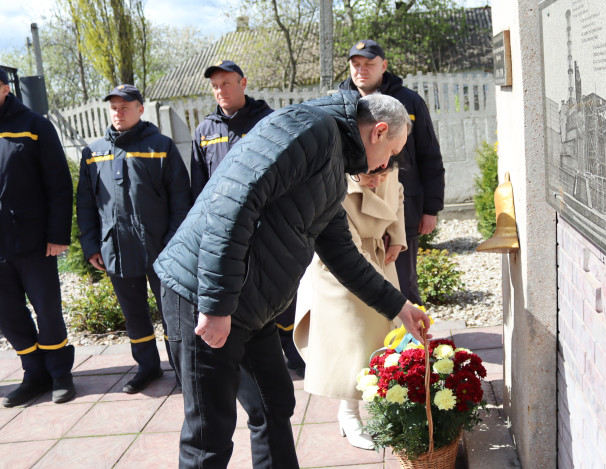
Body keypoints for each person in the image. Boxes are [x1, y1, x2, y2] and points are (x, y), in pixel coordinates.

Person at [154, 91, 430, 468]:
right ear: (379, 132)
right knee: (209, 435)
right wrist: (216, 305)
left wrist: (399, 307)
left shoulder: (333, 165)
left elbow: (342, 254)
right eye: (391, 154)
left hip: (252, 306)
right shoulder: (309, 128)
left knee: (273, 404)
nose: (386, 166)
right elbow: (233, 202)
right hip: (202, 293)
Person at [191, 60, 304, 375]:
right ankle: (251, 356)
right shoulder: (204, 131)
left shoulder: (270, 122)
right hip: (226, 231)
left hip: (267, 225)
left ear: (243, 83)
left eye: (226, 83)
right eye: (215, 86)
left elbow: (289, 173)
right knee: (236, 292)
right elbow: (199, 187)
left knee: (280, 290)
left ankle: (293, 350)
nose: (220, 90)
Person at [76, 84, 191, 394]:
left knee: (172, 314)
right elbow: (86, 205)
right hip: (116, 249)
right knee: (134, 315)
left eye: (125, 106)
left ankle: (183, 370)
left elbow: (181, 200)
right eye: (113, 106)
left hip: (161, 249)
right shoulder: (93, 152)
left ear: (141, 109)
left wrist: (173, 243)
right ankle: (148, 367)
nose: (119, 111)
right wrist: (90, 246)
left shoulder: (160, 146)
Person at [294, 157, 405, 450]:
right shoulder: (334, 184)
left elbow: (398, 194)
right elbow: (346, 253)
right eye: (371, 175)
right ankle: (349, 414)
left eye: (384, 174)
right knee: (353, 345)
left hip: (379, 256)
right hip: (341, 268)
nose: (379, 180)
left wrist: (397, 237)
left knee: (385, 338)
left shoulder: (386, 168)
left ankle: (387, 408)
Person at [339, 40, 445, 305]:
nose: (361, 70)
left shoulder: (409, 102)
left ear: (384, 66)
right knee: (361, 291)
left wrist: (431, 208)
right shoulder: (340, 104)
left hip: (402, 209)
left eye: (369, 64)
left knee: (404, 285)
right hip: (354, 215)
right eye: (356, 64)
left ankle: (414, 347)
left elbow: (429, 155)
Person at [0, 67, 76, 407]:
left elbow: (59, 185)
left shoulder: (34, 126)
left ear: (4, 89)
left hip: (33, 240)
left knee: (47, 309)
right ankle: (34, 373)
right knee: (7, 314)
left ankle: (60, 373)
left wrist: (57, 235)